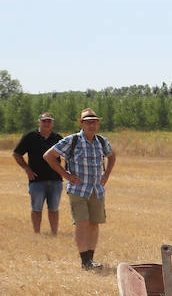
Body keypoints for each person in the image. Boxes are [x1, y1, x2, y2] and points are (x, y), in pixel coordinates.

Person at [45, 108, 116, 271]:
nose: (92, 125)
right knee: (82, 223)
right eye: (88, 122)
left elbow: (112, 156)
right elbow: (49, 156)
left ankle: (90, 260)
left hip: (97, 190)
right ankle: (84, 262)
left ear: (98, 124)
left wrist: (106, 175)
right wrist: (66, 175)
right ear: (82, 123)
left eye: (94, 122)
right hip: (78, 190)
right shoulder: (72, 140)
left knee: (94, 224)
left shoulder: (102, 141)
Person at [12, 112, 63, 235]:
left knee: (54, 209)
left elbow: (70, 155)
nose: (46, 123)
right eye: (44, 121)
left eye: (49, 121)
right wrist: (27, 169)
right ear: (39, 121)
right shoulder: (30, 137)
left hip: (56, 180)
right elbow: (16, 154)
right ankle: (37, 233)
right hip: (36, 180)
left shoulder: (58, 138)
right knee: (36, 209)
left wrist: (67, 172)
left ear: (52, 123)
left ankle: (54, 234)